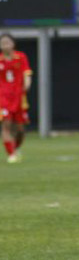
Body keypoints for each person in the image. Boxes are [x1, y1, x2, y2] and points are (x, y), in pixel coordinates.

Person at [0, 33, 32, 164]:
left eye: (7, 42)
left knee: (20, 129)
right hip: (3, 98)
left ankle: (16, 147)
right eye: (2, 43)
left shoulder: (21, 57)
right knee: (6, 125)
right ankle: (11, 154)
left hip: (19, 97)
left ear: (13, 44)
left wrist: (27, 84)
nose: (5, 45)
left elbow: (27, 74)